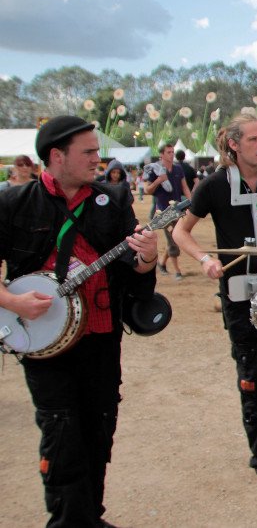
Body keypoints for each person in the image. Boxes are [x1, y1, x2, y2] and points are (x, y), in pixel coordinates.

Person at [0, 115, 158, 527]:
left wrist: (147, 255)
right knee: (62, 434)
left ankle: (89, 515)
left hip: (101, 338)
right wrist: (11, 303)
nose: (97, 158)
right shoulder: (13, 203)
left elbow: (133, 270)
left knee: (98, 429)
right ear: (57, 156)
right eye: (87, 151)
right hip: (42, 344)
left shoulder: (115, 198)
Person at [172, 112, 257, 489]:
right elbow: (182, 232)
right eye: (254, 140)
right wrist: (205, 259)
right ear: (233, 144)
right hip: (239, 296)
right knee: (254, 375)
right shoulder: (213, 185)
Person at [144, 143, 191, 281]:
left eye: (172, 152)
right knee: (174, 239)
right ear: (162, 154)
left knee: (175, 238)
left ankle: (162, 263)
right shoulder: (155, 170)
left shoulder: (178, 169)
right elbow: (148, 190)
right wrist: (159, 180)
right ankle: (177, 271)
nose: (171, 154)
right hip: (163, 212)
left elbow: (185, 187)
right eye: (169, 152)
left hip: (178, 209)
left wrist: (191, 202)